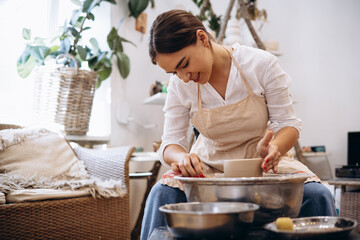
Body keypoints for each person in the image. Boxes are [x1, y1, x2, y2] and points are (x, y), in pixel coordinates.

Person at [141, 9, 337, 240]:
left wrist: (275, 148)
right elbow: (171, 142)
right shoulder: (179, 85)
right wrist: (182, 158)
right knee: (161, 194)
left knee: (318, 195)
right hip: (208, 169)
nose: (183, 77)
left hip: (263, 167)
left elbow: (288, 125)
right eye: (174, 72)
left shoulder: (260, 64)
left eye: (184, 64)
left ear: (202, 38)